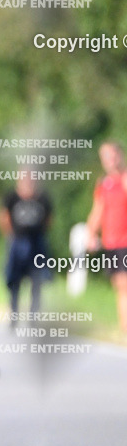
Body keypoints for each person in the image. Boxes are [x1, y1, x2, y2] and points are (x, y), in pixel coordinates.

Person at [0, 172, 52, 319]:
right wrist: (11, 235)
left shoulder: (42, 198)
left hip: (36, 242)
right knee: (13, 280)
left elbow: (49, 219)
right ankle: (14, 314)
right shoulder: (12, 197)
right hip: (17, 241)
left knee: (37, 280)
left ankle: (33, 316)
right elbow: (3, 216)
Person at [86, 142, 127, 333]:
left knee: (124, 284)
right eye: (105, 157)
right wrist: (91, 234)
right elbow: (98, 210)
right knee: (120, 286)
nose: (110, 161)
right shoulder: (104, 183)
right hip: (112, 242)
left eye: (113, 156)